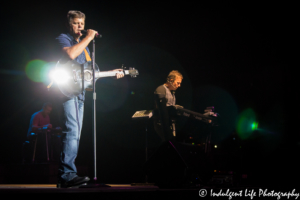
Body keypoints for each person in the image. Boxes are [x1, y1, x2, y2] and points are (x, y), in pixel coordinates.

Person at [55, 10, 124, 188]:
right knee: (71, 132)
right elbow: (70, 55)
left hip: (81, 93)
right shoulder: (63, 39)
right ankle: (66, 175)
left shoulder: (85, 48)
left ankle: (69, 175)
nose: (80, 27)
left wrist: (112, 73)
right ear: (69, 24)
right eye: (76, 23)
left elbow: (89, 75)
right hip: (67, 92)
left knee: (76, 134)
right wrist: (89, 38)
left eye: (82, 24)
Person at [153, 70, 183, 142]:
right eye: (178, 83)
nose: (179, 85)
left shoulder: (172, 92)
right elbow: (161, 109)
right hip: (162, 124)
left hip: (170, 123)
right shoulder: (161, 89)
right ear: (171, 81)